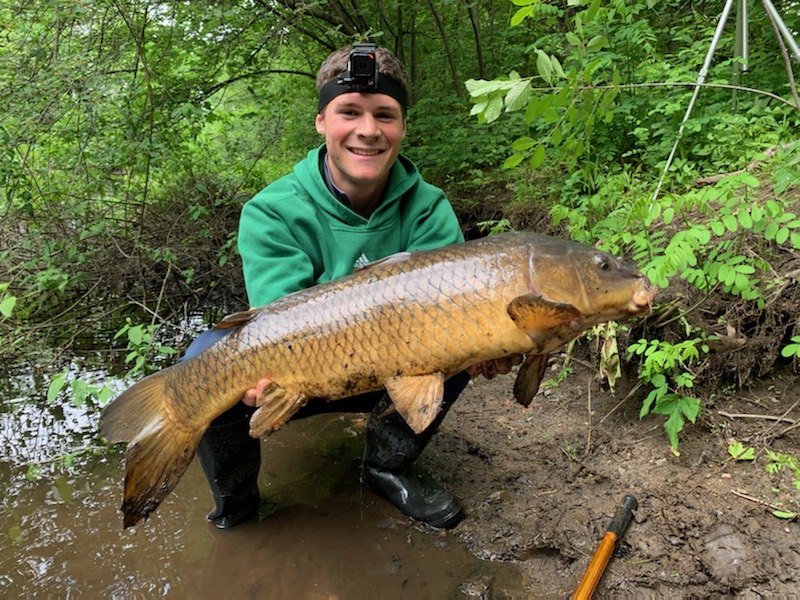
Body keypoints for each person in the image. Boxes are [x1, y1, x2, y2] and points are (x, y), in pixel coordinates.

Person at [186, 43, 517, 532]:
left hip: (397, 365)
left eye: (385, 114)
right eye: (349, 112)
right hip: (302, 367)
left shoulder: (428, 207)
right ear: (321, 121)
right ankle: (236, 505)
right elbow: (277, 319)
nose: (368, 130)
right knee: (206, 362)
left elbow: (454, 310)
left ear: (403, 127)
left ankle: (386, 466)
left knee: (460, 341)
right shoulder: (273, 209)